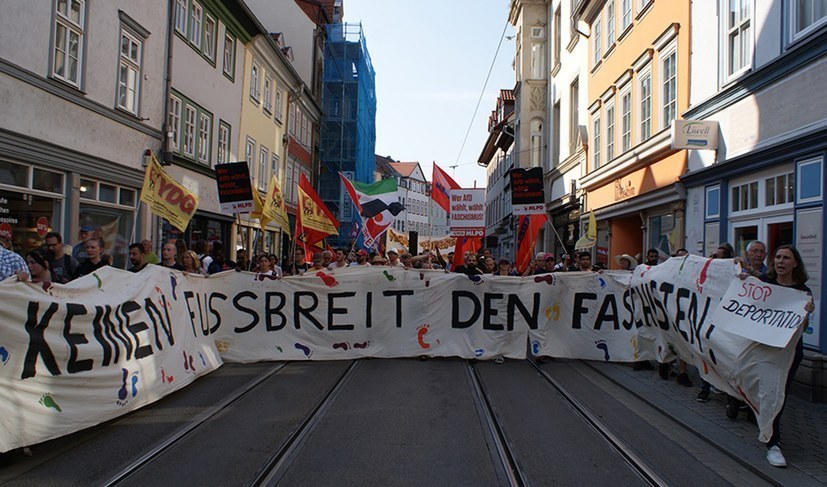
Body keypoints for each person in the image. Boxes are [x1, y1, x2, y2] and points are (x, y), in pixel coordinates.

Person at [761, 245, 815, 468]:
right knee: (767, 393)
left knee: (778, 394)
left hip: (790, 352)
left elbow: (802, 328)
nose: (780, 261)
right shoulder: (764, 285)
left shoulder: (803, 291)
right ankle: (767, 431)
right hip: (765, 350)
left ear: (795, 263)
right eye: (777, 257)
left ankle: (773, 443)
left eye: (786, 258)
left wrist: (806, 313)